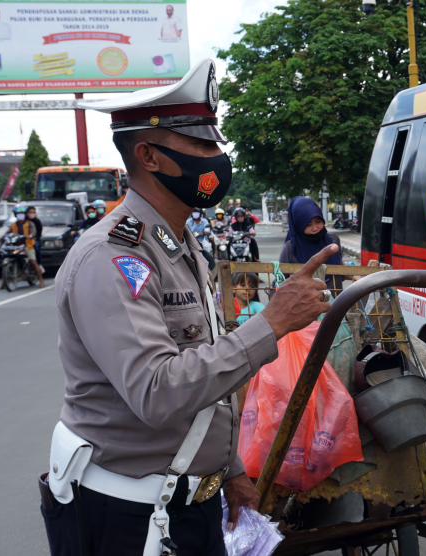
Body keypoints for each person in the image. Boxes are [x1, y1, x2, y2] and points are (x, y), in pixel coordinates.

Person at [44, 59, 336, 556]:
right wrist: (273, 322)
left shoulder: (180, 245)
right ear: (149, 156)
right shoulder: (113, 257)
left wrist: (230, 470)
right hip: (128, 518)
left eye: (214, 143)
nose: (216, 157)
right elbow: (158, 391)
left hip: (189, 503)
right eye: (201, 145)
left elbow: (204, 369)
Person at [279, 196, 342, 292]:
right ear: (298, 225)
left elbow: (341, 268)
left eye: (318, 222)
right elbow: (281, 279)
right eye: (308, 224)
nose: (315, 228)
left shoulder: (333, 240)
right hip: (304, 303)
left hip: (336, 301)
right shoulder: (291, 247)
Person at [0, 206, 45, 289]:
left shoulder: (30, 223)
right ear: (16, 215)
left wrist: (30, 236)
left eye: (22, 214)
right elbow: (7, 233)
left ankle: (41, 280)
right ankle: (3, 282)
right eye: (18, 214)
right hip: (15, 246)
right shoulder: (14, 225)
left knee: (33, 261)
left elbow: (33, 232)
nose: (20, 215)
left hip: (27, 245)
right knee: (7, 258)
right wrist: (1, 237)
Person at [26, 205, 45, 273]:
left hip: (33, 240)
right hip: (24, 240)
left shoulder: (37, 221)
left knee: (36, 247)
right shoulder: (23, 221)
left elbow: (38, 232)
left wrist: (34, 238)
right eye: (30, 212)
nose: (32, 214)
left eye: (33, 212)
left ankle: (39, 264)